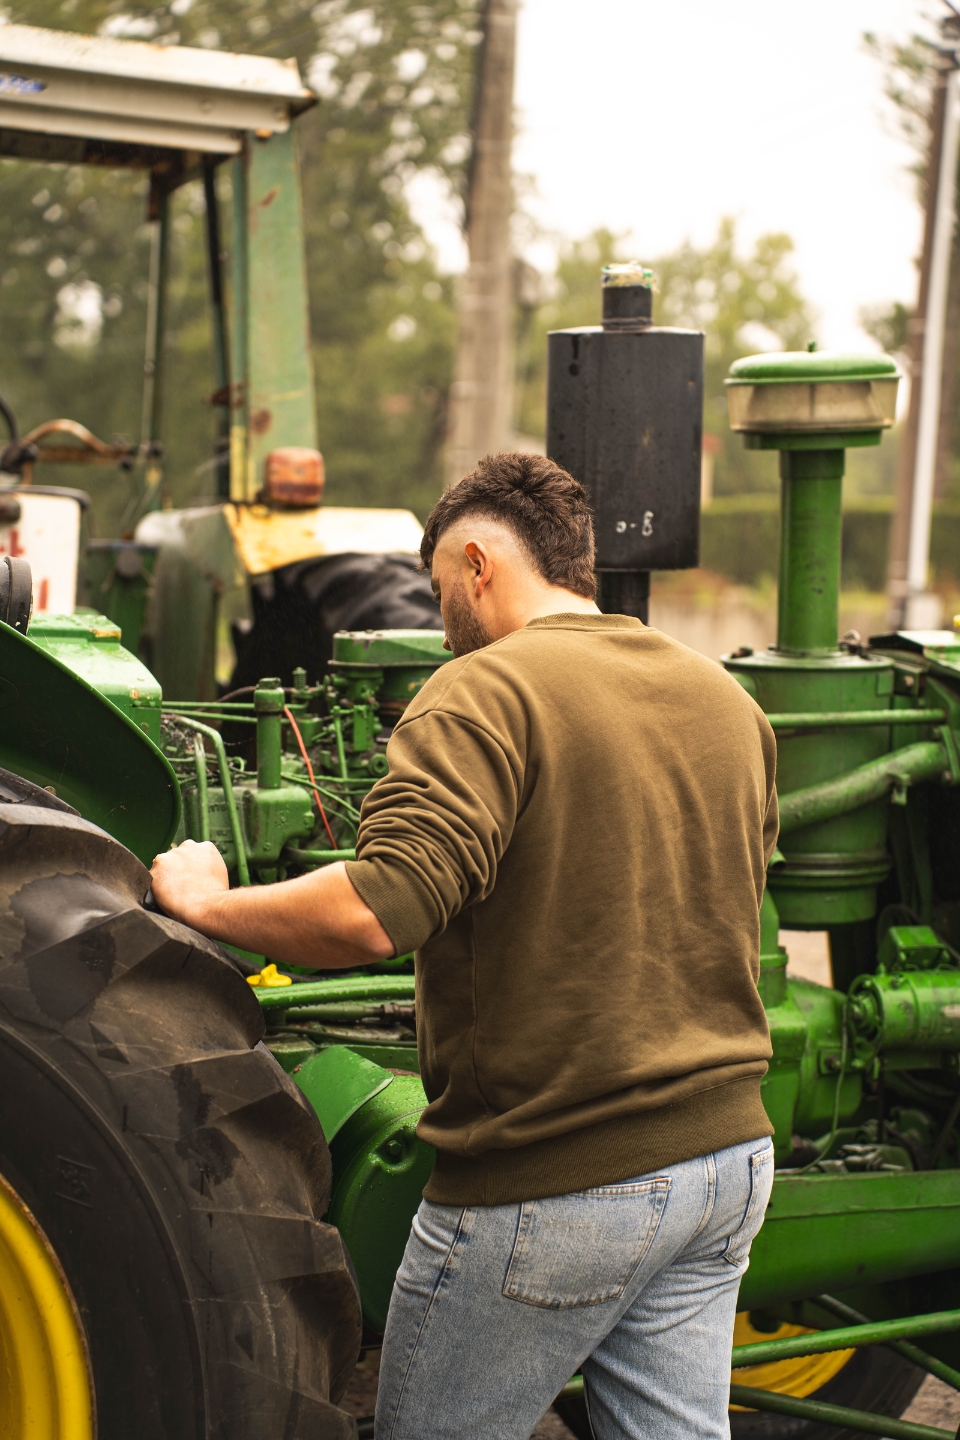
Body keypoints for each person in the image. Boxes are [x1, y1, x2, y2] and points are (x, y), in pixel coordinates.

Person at [152, 452, 778, 1440]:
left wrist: (210, 903)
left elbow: (375, 910)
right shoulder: (725, 702)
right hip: (725, 1162)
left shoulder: (482, 691)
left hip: (558, 1177)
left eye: (441, 582)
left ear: (478, 563)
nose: (439, 607)